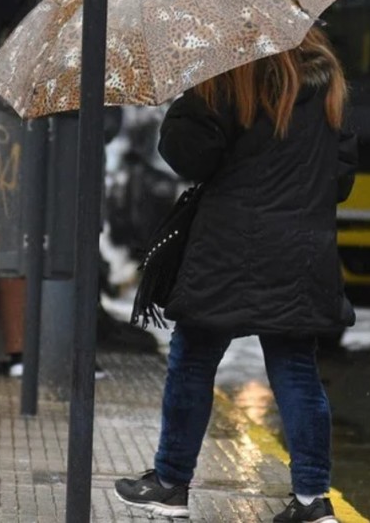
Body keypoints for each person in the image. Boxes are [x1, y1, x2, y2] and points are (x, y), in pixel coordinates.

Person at [114, 27, 357, 523]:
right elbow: (342, 179)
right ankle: (313, 500)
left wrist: (192, 92)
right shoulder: (329, 84)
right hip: (301, 250)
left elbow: (188, 156)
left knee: (193, 361)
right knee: (295, 369)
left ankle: (170, 482)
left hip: (227, 250)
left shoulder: (233, 76)